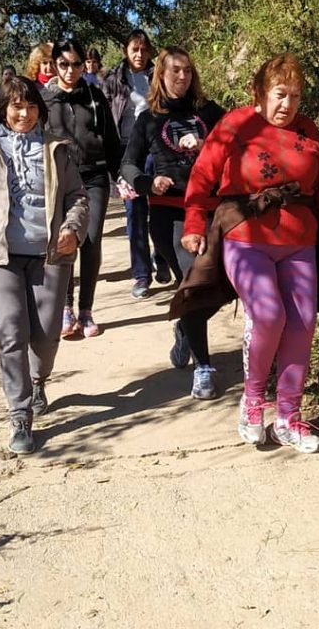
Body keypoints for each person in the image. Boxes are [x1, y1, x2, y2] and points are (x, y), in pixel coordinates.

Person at [182, 54, 319, 451]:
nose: (288, 105)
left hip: (299, 240)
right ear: (259, 93)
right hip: (246, 236)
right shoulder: (235, 124)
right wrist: (194, 223)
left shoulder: (308, 131)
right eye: (280, 94)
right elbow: (202, 176)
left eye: (295, 96)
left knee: (300, 324)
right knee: (267, 313)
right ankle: (252, 401)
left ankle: (288, 418)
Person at [0, 74, 89, 455]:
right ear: (3, 110)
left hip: (50, 255)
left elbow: (78, 196)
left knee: (44, 334)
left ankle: (38, 379)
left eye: (30, 106)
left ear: (40, 110)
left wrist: (73, 228)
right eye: (15, 106)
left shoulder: (56, 148)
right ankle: (19, 414)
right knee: (12, 330)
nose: (23, 113)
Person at [120, 47, 226, 399]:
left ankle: (185, 325)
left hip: (213, 209)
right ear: (161, 76)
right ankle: (204, 366)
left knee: (225, 285)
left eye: (188, 71)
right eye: (175, 71)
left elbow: (239, 144)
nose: (182, 77)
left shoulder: (208, 113)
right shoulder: (149, 118)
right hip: (170, 214)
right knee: (192, 283)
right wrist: (148, 184)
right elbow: (129, 164)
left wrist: (206, 142)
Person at [43, 37, 123, 339]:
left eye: (76, 64)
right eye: (64, 64)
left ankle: (86, 310)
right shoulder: (45, 100)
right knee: (65, 240)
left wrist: (120, 174)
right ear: (54, 64)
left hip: (94, 177)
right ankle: (65, 308)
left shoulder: (94, 95)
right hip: (61, 180)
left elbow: (111, 138)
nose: (71, 70)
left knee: (90, 240)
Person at [101, 27, 172, 296]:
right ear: (126, 52)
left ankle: (163, 259)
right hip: (127, 155)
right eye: (134, 49)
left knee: (161, 208)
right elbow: (106, 122)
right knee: (135, 215)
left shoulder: (159, 76)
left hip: (157, 152)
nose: (139, 54)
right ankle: (141, 275)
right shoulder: (113, 80)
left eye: (144, 49)